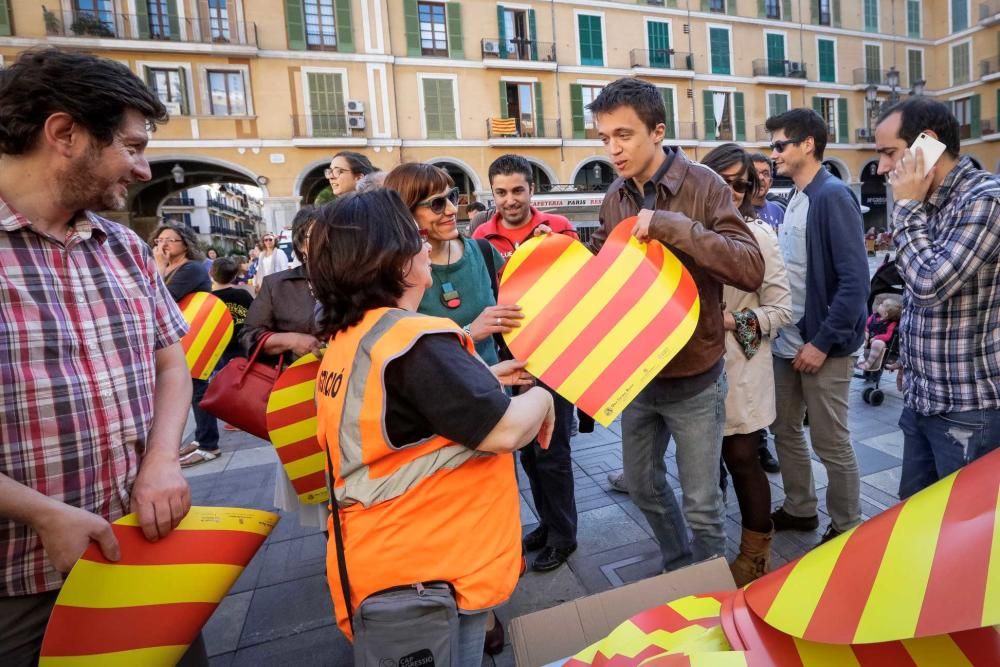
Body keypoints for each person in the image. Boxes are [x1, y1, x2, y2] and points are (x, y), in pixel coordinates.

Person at [0, 48, 200, 665]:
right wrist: (41, 514)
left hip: (139, 553)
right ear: (64, 133)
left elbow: (171, 363)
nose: (144, 170)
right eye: (133, 147)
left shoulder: (124, 248)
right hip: (18, 590)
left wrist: (162, 460)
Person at [309, 190, 554, 662]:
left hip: (387, 556)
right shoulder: (412, 340)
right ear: (394, 260)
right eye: (414, 238)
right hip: (431, 562)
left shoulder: (354, 335)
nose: (426, 247)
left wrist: (478, 379)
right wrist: (543, 397)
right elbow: (504, 430)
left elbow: (402, 415)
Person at [588, 77, 765, 571]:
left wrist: (671, 226)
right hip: (637, 377)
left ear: (657, 130)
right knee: (642, 486)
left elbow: (750, 267)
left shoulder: (705, 185)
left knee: (703, 504)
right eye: (604, 138)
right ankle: (679, 564)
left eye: (623, 135)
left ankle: (709, 589)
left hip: (695, 378)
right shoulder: (615, 194)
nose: (612, 149)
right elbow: (607, 269)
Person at [873, 97, 1000, 498]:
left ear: (926, 144)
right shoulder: (929, 203)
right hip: (922, 399)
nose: (881, 168)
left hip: (969, 409)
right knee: (913, 526)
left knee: (965, 539)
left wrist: (906, 206)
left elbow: (930, 285)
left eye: (889, 153)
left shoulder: (985, 200)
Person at [473, 155, 581, 573]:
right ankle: (547, 523)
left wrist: (549, 249)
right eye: (501, 192)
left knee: (553, 450)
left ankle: (563, 537)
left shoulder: (559, 231)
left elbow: (579, 289)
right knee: (527, 452)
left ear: (532, 190)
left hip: (555, 357)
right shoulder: (481, 238)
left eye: (517, 190)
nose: (509, 200)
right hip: (506, 358)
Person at [765, 108, 869, 544]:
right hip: (786, 345)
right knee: (784, 431)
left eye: (779, 145)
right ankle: (800, 508)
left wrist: (823, 343)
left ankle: (847, 526)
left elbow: (855, 281)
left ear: (808, 144)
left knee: (831, 443)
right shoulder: (797, 198)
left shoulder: (832, 196)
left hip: (823, 348)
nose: (773, 155)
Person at [701, 144, 792, 585]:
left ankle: (755, 556)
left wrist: (733, 320)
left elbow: (782, 309)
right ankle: (707, 552)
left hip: (740, 364)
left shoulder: (760, 236)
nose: (733, 191)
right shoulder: (689, 233)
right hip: (692, 370)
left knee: (742, 457)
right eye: (723, 181)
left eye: (742, 183)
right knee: (703, 464)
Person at [384, 163, 522, 367]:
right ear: (406, 213)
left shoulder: (482, 251)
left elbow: (517, 311)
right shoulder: (396, 273)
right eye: (437, 204)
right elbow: (400, 350)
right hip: (443, 394)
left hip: (498, 389)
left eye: (453, 197)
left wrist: (544, 247)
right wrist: (468, 333)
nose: (453, 209)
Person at [240, 208, 326, 526]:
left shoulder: (354, 279)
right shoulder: (278, 285)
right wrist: (292, 340)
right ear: (302, 243)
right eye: (320, 234)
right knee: (321, 499)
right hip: (301, 403)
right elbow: (249, 336)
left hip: (351, 396)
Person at [150, 223, 219, 466]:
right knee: (193, 387)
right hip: (181, 338)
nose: (163, 245)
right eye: (159, 240)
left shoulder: (191, 269)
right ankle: (201, 439)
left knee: (199, 388)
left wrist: (158, 268)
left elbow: (161, 299)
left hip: (196, 336)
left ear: (185, 244)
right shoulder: (172, 267)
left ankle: (210, 443)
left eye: (170, 240)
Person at [856, 296, 901, 372]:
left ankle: (869, 363)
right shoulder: (873, 317)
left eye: (882, 305)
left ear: (886, 313)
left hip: (881, 343)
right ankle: (860, 357)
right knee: (862, 336)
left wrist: (877, 337)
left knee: (878, 343)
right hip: (869, 339)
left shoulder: (891, 324)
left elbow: (887, 336)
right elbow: (866, 325)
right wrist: (866, 332)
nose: (879, 304)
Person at [749, 153, 786, 232]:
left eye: (765, 174)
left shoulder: (778, 212)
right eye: (755, 173)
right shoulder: (736, 212)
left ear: (770, 182)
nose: (761, 177)